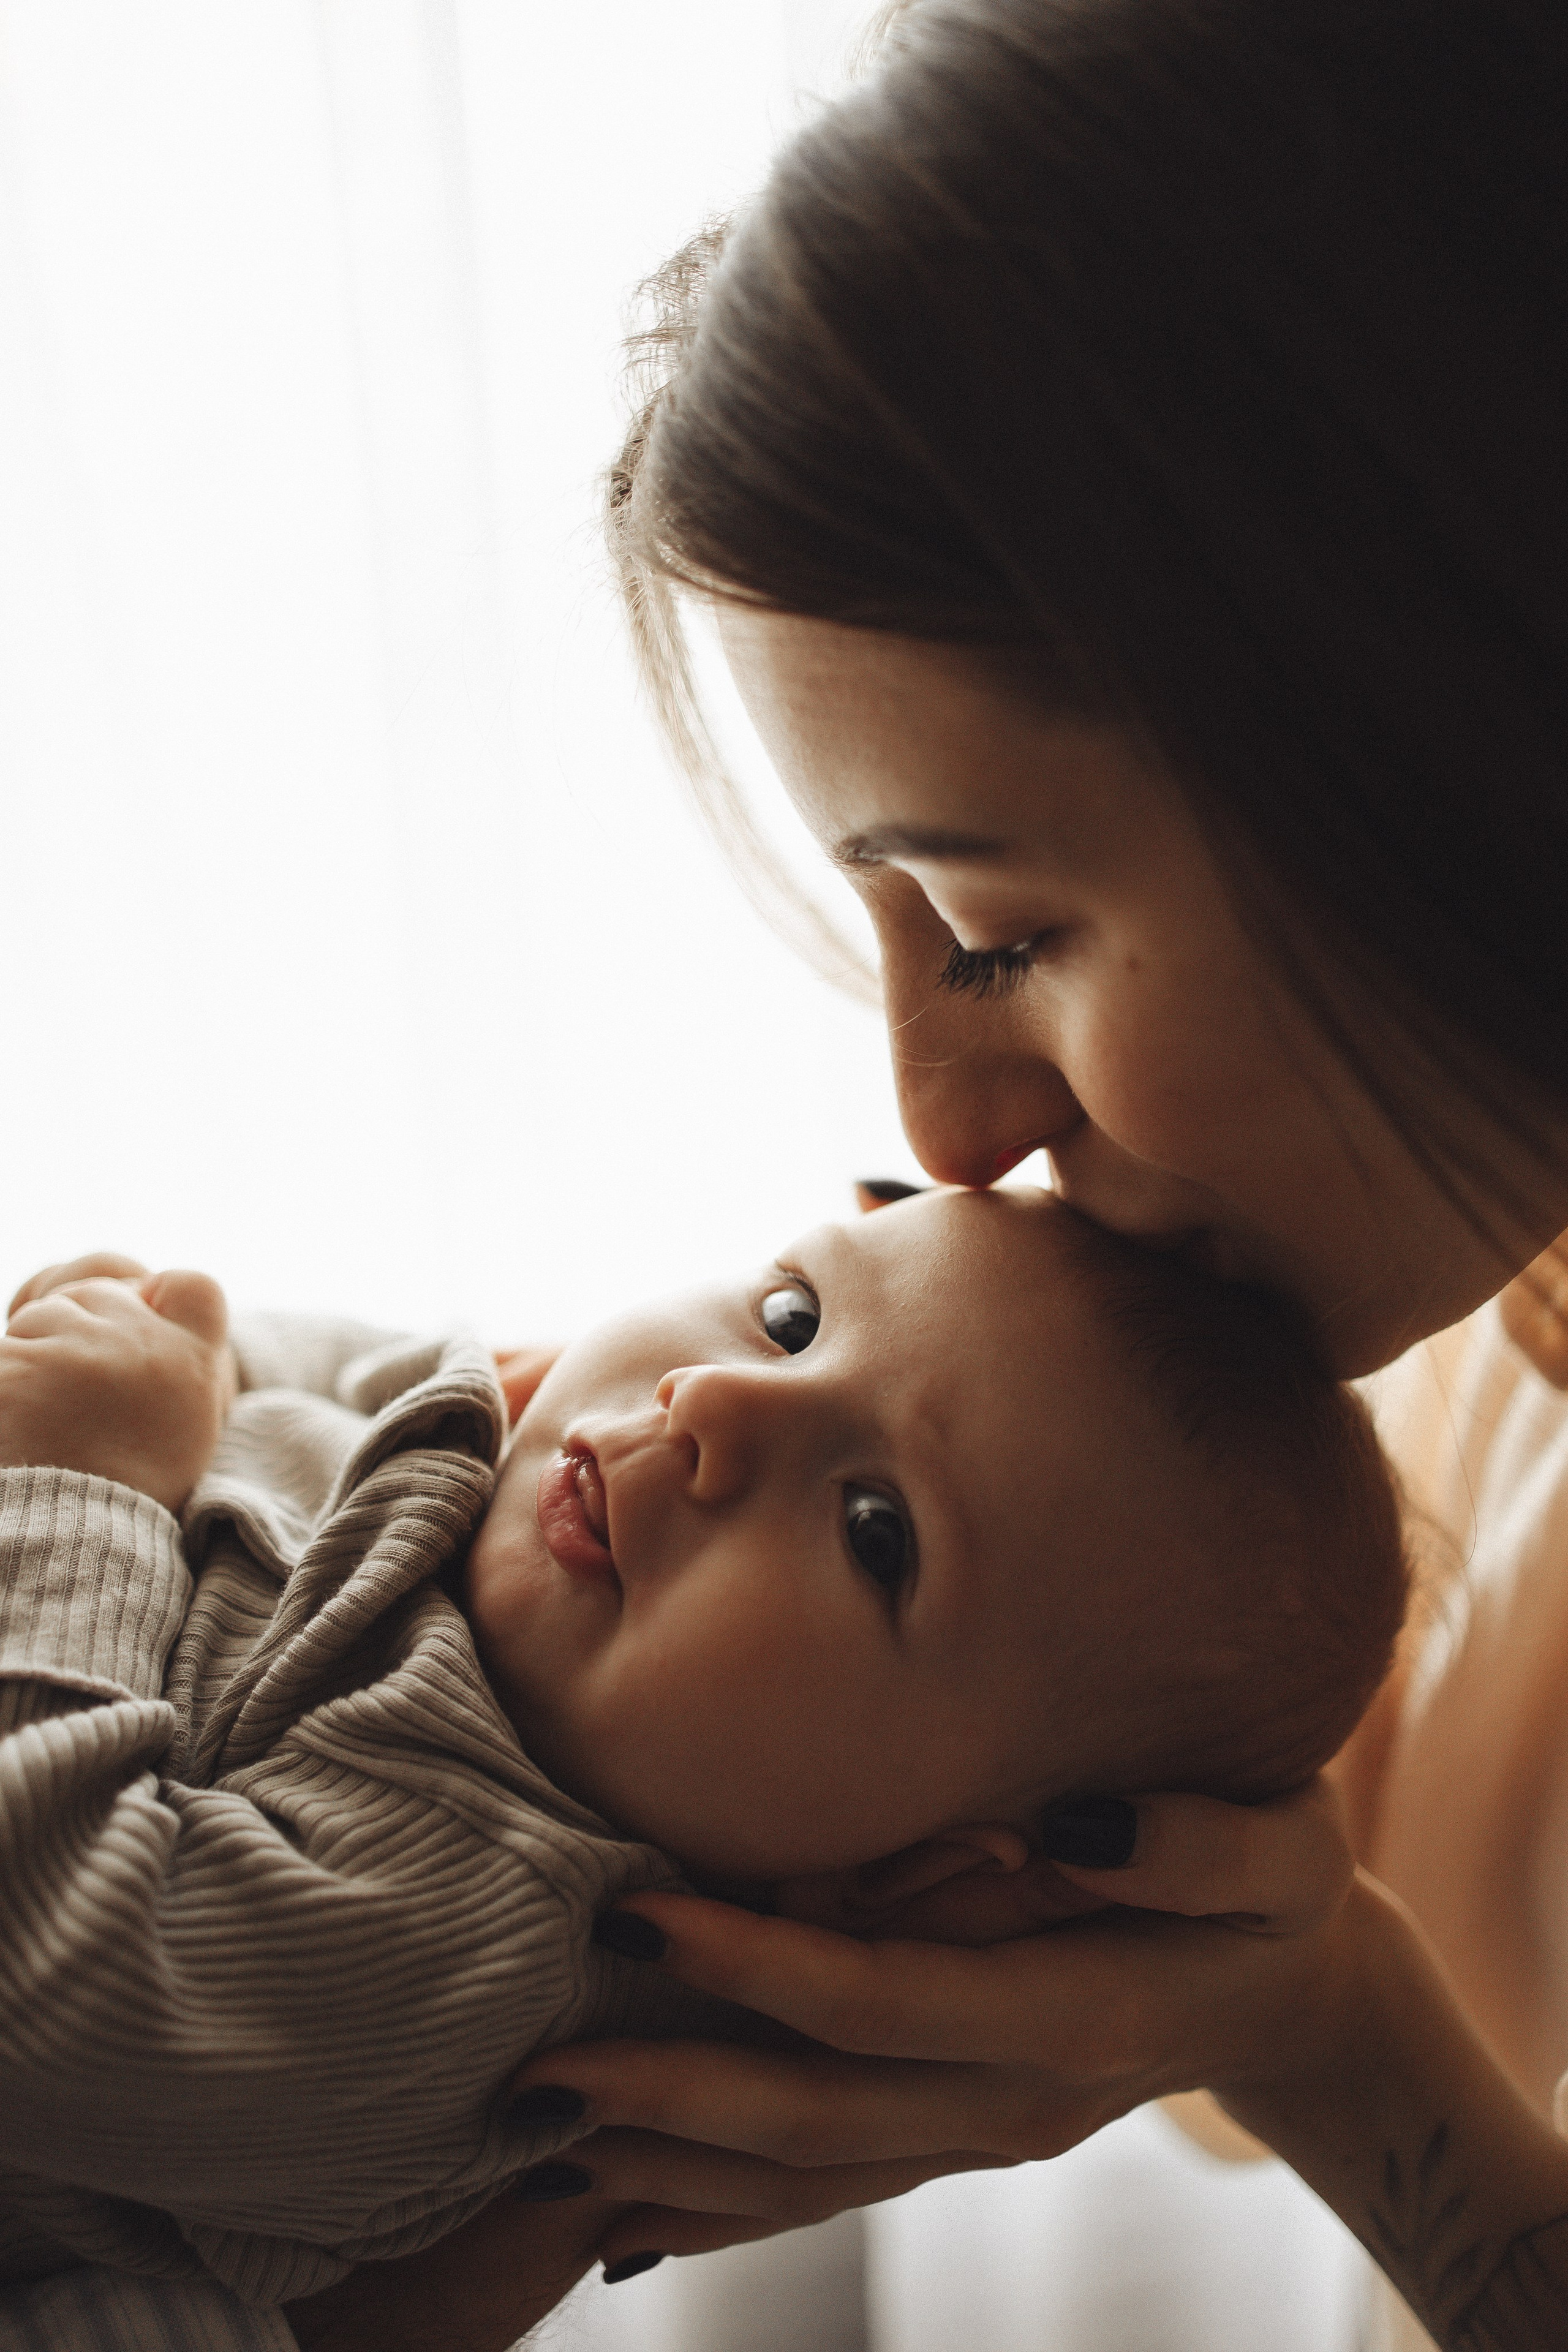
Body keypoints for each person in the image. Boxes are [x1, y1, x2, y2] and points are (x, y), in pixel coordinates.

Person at [10, 1, 1568, 2345]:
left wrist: (1334, 2029)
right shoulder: (1367, 1342)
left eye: (1004, 931)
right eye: (795, 1292)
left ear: (1446, 746)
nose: (947, 1137)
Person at [0, 1183, 1403, 2312]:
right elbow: (223, 1378)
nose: (715, 1403)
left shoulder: (471, 1928)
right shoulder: (502, 1462)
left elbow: (53, 1977)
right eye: (791, 1317)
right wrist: (148, 1339)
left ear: (903, 1874)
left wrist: (80, 1481)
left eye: (874, 1533)